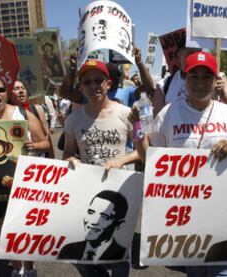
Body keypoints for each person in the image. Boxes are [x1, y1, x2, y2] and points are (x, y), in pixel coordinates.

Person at [130, 51, 227, 277]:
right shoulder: (168, 113)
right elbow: (150, 159)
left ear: (216, 80)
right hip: (185, 214)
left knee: (223, 273)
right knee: (195, 272)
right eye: (193, 76)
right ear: (184, 79)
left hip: (223, 212)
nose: (199, 82)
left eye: (206, 76)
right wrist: (137, 128)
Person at [63, 59, 139, 277]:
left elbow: (142, 151)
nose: (93, 86)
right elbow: (68, 151)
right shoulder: (73, 119)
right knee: (82, 255)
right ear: (81, 87)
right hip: (88, 192)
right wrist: (71, 159)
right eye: (87, 82)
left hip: (121, 189)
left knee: (119, 254)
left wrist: (122, 161)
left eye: (98, 81)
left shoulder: (125, 113)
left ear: (108, 84)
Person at [0, 76, 50, 277]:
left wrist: (33, 145)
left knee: (23, 227)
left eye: (0, 89)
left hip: (24, 182)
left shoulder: (22, 114)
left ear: (6, 93)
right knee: (6, 229)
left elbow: (46, 143)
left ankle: (30, 267)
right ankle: (17, 268)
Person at [58, 190, 128, 260]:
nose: (93, 221)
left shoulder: (122, 255)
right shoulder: (68, 250)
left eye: (104, 216)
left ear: (119, 225)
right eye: (91, 212)